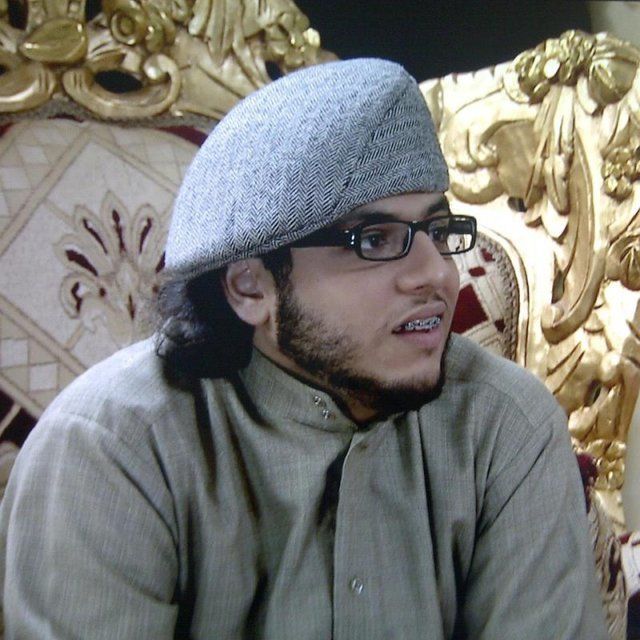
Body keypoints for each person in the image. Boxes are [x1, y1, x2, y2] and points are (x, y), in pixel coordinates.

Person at [0, 59, 606, 639]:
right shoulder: (111, 452)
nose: (439, 276)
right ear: (250, 286)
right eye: (374, 240)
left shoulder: (506, 427)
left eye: (437, 231)